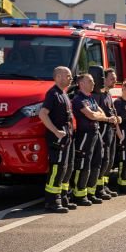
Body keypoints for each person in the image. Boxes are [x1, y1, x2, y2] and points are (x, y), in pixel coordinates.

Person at [71, 73, 109, 206]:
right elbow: (92, 115)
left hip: (96, 132)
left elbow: (101, 113)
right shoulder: (78, 99)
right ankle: (79, 194)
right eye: (90, 81)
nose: (93, 83)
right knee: (84, 164)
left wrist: (99, 116)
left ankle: (90, 192)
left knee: (97, 162)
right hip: (85, 134)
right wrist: (101, 117)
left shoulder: (91, 98)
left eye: (93, 81)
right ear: (81, 84)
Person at [40, 66, 75, 213]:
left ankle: (63, 197)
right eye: (68, 75)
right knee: (57, 168)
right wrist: (56, 131)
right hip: (57, 139)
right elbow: (42, 114)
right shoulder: (53, 94)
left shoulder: (64, 93)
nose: (71, 78)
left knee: (66, 168)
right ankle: (52, 201)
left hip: (67, 137)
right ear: (58, 77)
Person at [92, 67, 122, 200]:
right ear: (103, 79)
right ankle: (98, 188)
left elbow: (112, 110)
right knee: (102, 160)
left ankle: (104, 186)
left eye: (115, 78)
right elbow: (96, 113)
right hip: (102, 130)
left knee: (109, 161)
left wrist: (117, 119)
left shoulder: (108, 94)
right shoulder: (97, 95)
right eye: (111, 78)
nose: (114, 80)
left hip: (110, 130)